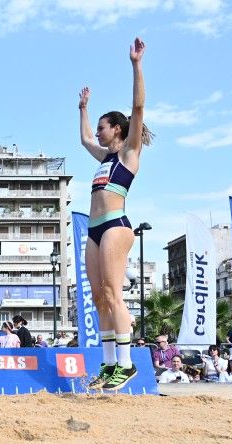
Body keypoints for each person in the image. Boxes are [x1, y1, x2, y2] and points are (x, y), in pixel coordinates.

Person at [80, 37, 152, 391]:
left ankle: (127, 364)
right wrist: (83, 108)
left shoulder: (128, 154)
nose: (98, 132)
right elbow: (83, 140)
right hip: (94, 229)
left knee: (114, 293)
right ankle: (109, 366)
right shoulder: (104, 158)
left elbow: (138, 108)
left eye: (102, 127)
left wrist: (136, 65)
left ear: (117, 129)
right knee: (99, 296)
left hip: (116, 226)